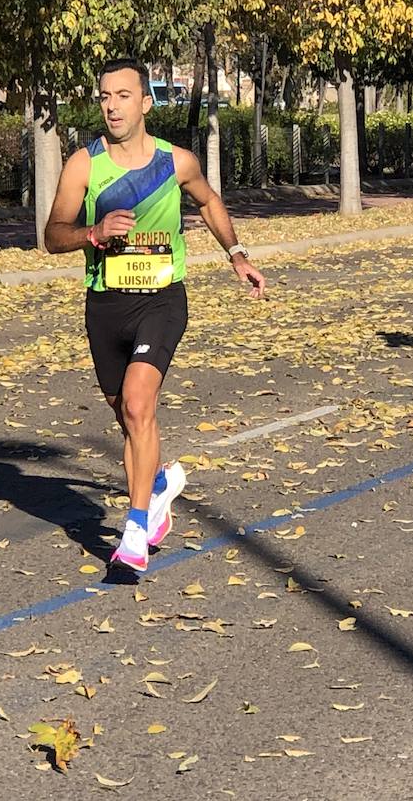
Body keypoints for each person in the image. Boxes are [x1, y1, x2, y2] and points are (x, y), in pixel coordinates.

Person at [44, 58, 266, 574]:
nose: (112, 105)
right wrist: (92, 233)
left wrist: (237, 255)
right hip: (105, 305)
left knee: (141, 407)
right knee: (127, 416)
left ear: (145, 103)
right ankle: (160, 481)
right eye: (104, 96)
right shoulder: (84, 164)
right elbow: (53, 234)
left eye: (123, 95)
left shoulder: (175, 161)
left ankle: (135, 530)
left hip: (161, 300)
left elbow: (209, 202)